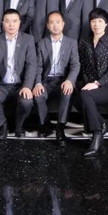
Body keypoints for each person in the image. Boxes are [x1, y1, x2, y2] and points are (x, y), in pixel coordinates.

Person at [75, 8, 108, 157]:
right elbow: (83, 66)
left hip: (107, 86)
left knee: (85, 94)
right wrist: (86, 82)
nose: (96, 24)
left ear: (106, 24)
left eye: (100, 21)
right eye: (93, 21)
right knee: (76, 94)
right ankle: (103, 123)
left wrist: (96, 83)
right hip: (89, 83)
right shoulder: (84, 42)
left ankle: (97, 135)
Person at [0, 9, 38, 138]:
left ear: (19, 23)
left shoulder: (28, 39)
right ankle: (3, 125)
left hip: (21, 84)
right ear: (2, 23)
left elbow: (31, 64)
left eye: (14, 21)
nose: (11, 25)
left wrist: (27, 86)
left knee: (27, 102)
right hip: (2, 84)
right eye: (7, 21)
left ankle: (19, 126)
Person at [33, 11, 80, 146]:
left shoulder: (71, 43)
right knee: (38, 95)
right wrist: (37, 83)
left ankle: (60, 127)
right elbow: (38, 66)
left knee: (67, 92)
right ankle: (45, 124)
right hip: (46, 80)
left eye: (58, 22)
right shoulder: (41, 43)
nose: (55, 25)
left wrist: (70, 80)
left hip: (63, 80)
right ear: (48, 26)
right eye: (52, 23)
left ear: (63, 24)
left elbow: (75, 65)